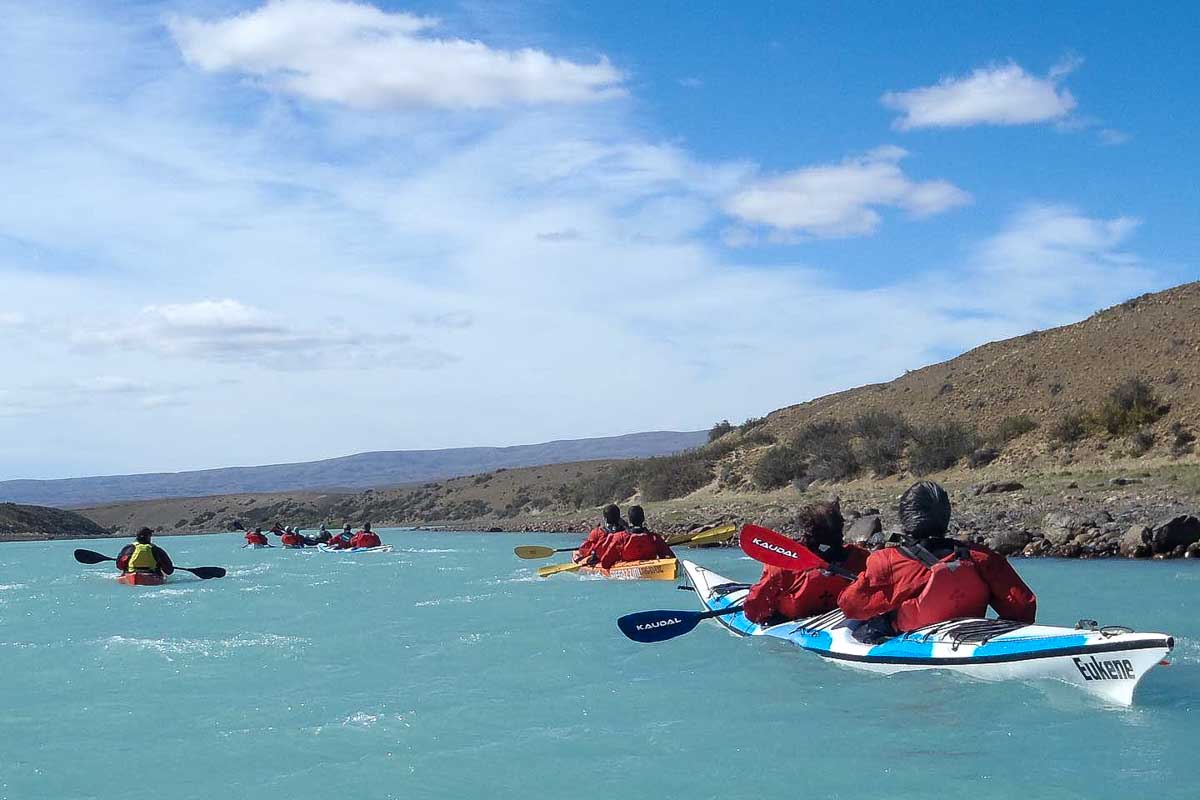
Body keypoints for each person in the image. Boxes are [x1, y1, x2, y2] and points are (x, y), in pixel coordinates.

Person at [838, 481, 1037, 637]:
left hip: (911, 639)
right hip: (966, 636)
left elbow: (851, 607)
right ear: (946, 516)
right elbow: (1023, 609)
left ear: (906, 520)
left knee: (867, 629)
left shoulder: (886, 561)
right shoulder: (982, 557)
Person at [743, 499, 871, 625]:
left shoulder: (783, 566)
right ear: (841, 530)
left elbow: (754, 612)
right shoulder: (862, 558)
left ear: (805, 533)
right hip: (844, 619)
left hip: (792, 621)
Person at [596, 505, 674, 568]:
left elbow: (605, 563)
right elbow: (670, 557)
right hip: (649, 565)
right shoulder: (654, 537)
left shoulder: (619, 537)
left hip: (628, 566)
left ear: (629, 520)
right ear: (643, 519)